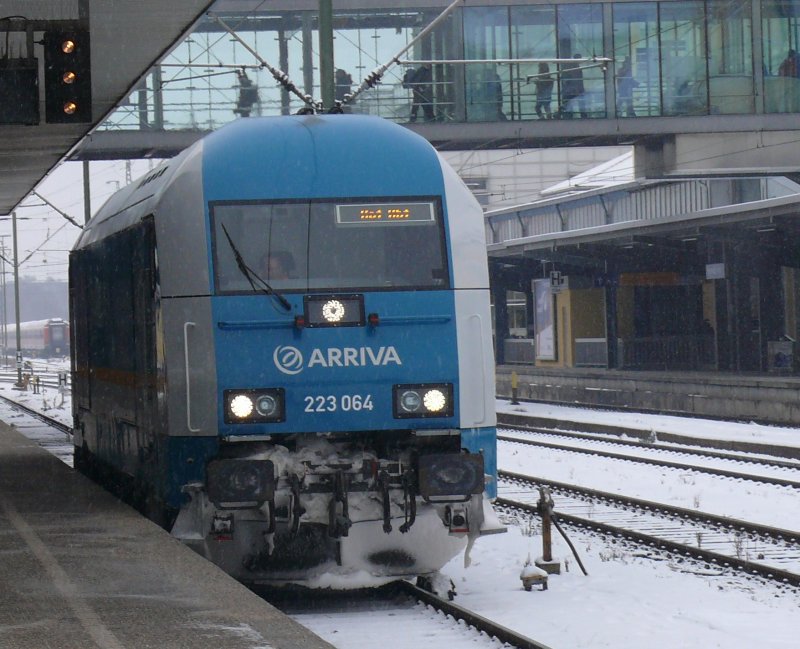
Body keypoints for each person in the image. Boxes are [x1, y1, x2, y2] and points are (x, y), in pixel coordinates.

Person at [559, 54, 587, 118]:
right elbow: (577, 79)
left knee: (570, 103)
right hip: (575, 89)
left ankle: (570, 115)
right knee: (579, 103)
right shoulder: (575, 67)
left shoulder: (571, 67)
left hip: (572, 90)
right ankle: (582, 115)